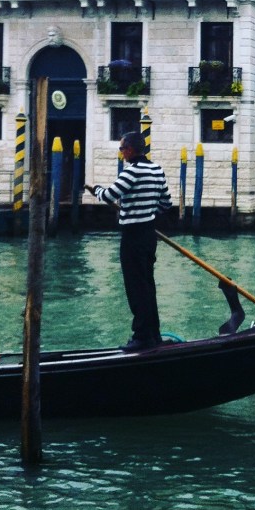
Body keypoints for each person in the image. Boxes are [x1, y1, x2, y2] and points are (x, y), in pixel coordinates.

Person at [86, 131, 173, 352]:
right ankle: (153, 335)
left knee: (136, 288)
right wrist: (147, 210)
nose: (121, 152)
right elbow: (166, 204)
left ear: (132, 149)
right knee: (148, 286)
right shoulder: (156, 169)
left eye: (122, 148)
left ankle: (142, 337)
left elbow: (109, 195)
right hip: (149, 234)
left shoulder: (131, 172)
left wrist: (96, 190)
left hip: (133, 236)